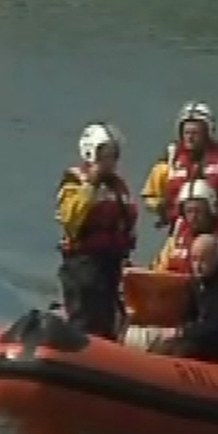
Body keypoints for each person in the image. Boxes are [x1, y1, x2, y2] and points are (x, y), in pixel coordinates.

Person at [55, 121, 138, 340]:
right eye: (106, 154)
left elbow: (128, 220)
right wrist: (90, 186)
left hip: (112, 264)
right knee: (85, 317)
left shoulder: (117, 187)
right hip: (84, 265)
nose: (111, 161)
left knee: (108, 320)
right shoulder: (75, 183)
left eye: (113, 155)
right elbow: (70, 219)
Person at [140, 100, 218, 232]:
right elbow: (150, 194)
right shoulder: (171, 162)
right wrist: (160, 207)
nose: (190, 138)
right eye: (187, 132)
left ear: (207, 133)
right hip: (182, 230)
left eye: (195, 133)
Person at [152, 235, 218, 366]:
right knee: (163, 345)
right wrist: (179, 332)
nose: (197, 266)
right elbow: (189, 315)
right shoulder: (196, 282)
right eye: (194, 259)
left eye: (203, 260)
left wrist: (183, 332)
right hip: (208, 338)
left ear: (216, 258)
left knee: (183, 350)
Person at [150, 179, 218, 274]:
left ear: (210, 211)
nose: (193, 217)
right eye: (189, 211)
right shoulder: (176, 240)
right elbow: (158, 270)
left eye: (198, 211)